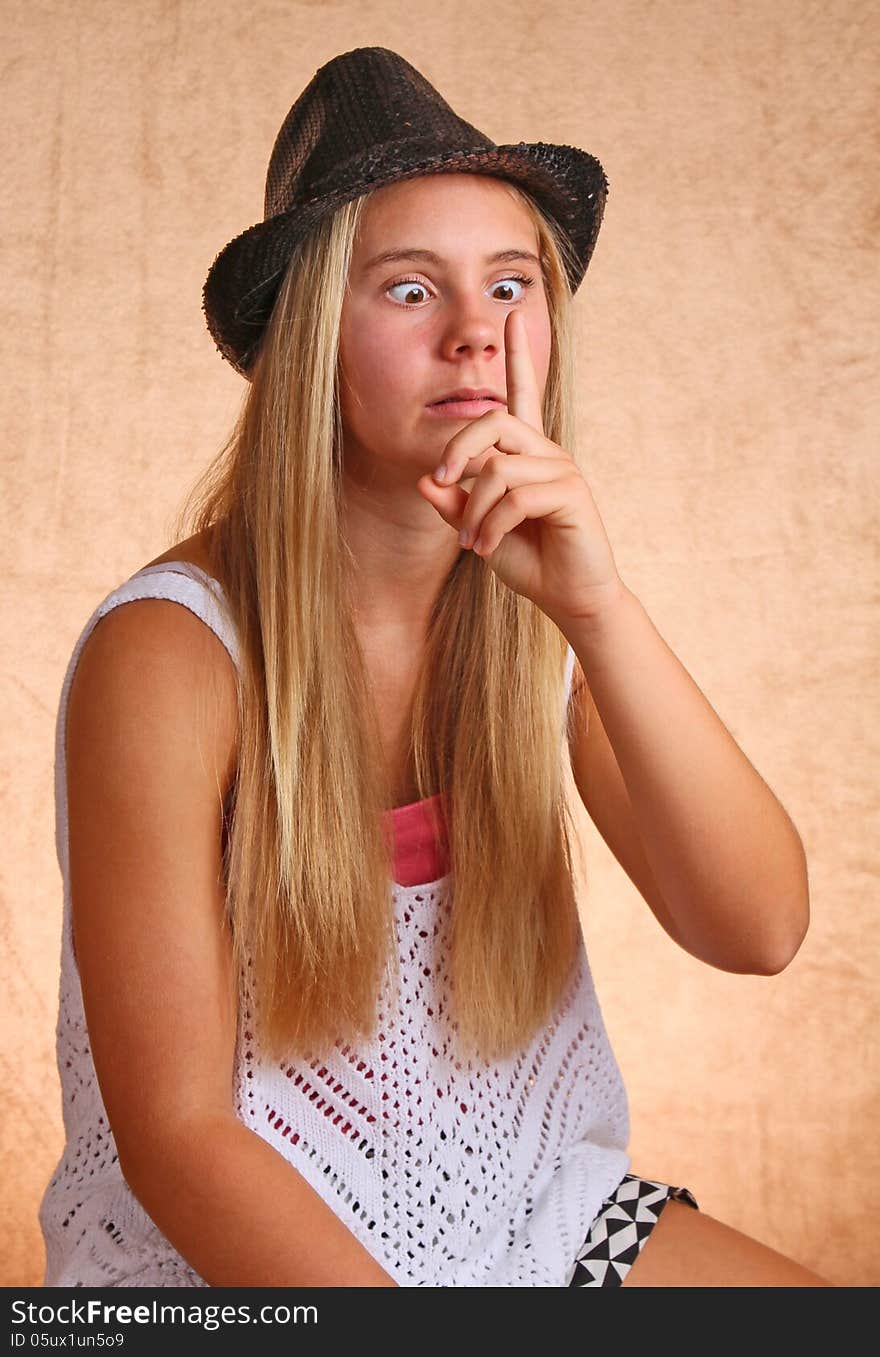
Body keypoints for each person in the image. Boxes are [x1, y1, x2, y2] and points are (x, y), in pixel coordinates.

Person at [38, 47, 833, 1288]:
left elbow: (760, 927)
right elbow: (179, 1143)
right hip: (228, 1269)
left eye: (510, 285)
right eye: (411, 292)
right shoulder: (174, 649)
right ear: (312, 340)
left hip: (527, 1214)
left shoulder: (538, 606)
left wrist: (599, 609)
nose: (476, 333)